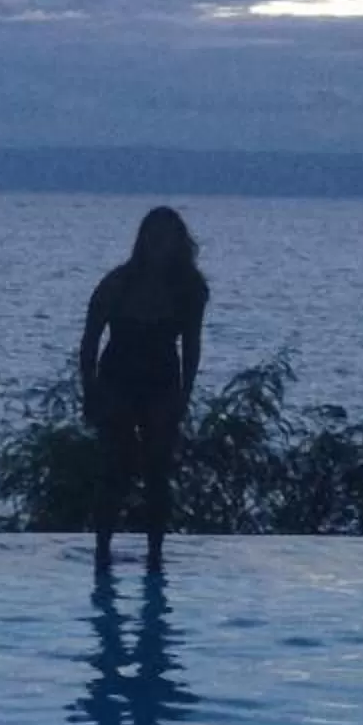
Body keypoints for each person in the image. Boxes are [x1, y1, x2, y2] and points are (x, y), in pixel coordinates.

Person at [79, 206, 208, 572]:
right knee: (115, 468)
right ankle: (102, 550)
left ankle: (155, 553)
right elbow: (89, 341)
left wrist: (184, 395)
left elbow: (192, 347)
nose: (159, 245)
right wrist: (89, 390)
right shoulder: (117, 284)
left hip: (161, 379)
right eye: (153, 236)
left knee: (157, 470)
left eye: (166, 237)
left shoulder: (190, 290)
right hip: (118, 377)